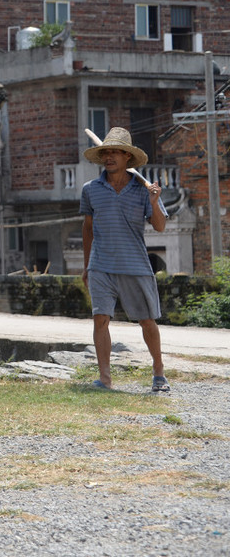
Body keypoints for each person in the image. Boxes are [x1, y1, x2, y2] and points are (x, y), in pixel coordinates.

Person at [80, 127, 169, 391]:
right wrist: (87, 265)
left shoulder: (144, 190)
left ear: (127, 157)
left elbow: (160, 227)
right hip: (101, 265)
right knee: (101, 319)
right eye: (106, 152)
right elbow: (87, 228)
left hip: (135, 264)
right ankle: (105, 378)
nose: (109, 157)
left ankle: (159, 372)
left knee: (147, 321)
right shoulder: (90, 190)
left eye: (115, 152)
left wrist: (153, 203)